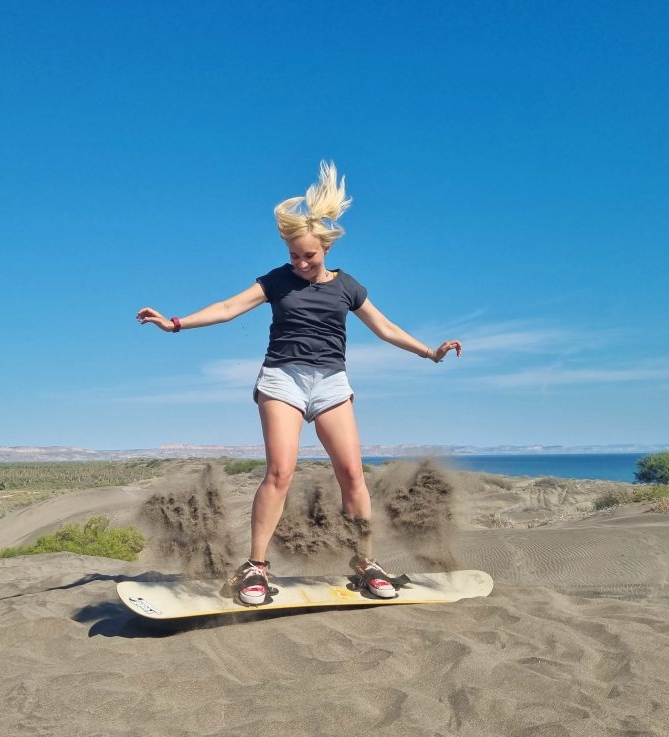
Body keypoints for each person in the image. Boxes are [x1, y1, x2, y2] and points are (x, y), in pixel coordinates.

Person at [136, 162, 461, 606]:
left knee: (351, 474)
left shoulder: (347, 286)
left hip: (331, 382)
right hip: (282, 378)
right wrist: (176, 323)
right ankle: (255, 567)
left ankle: (366, 562)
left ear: (325, 246)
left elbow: (385, 328)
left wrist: (430, 352)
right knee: (280, 472)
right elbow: (230, 307)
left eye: (309, 255)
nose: (302, 263)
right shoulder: (277, 281)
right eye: (295, 256)